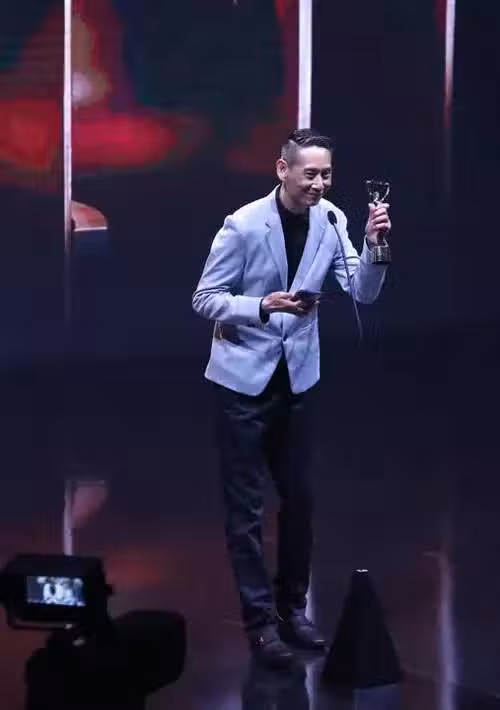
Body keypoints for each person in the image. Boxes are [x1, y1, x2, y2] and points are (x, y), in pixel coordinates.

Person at [192, 128, 391, 668]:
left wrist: (376, 245)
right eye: (310, 174)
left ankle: (292, 609)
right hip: (242, 384)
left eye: (327, 174)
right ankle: (259, 623)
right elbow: (205, 298)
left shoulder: (333, 221)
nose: (319, 184)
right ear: (283, 170)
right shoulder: (243, 224)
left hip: (298, 381)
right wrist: (262, 306)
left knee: (300, 500)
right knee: (246, 512)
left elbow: (363, 292)